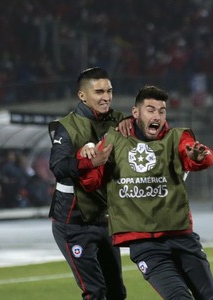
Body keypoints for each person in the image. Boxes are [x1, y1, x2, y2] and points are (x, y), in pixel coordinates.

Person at [78, 85, 213, 300]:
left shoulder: (177, 138)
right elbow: (90, 183)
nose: (157, 115)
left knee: (211, 297)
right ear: (136, 113)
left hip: (181, 237)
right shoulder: (115, 140)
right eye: (150, 109)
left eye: (161, 111)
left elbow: (199, 156)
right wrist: (88, 161)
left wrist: (199, 157)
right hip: (145, 245)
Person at [47, 67, 127, 300]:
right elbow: (58, 167)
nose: (106, 97)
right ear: (82, 96)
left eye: (109, 91)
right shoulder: (67, 126)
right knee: (96, 292)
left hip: (104, 218)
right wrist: (88, 162)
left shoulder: (118, 121)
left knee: (116, 292)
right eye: (99, 91)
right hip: (73, 222)